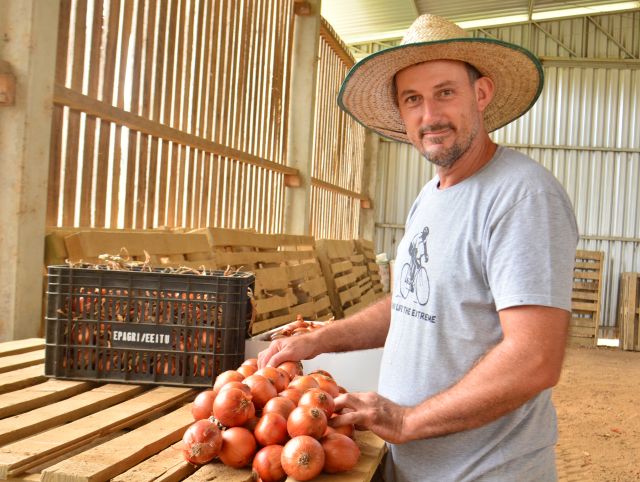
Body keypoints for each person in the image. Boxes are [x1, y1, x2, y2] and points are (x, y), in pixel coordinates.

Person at [259, 13, 578, 482]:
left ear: (481, 93)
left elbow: (534, 358)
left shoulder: (523, 196)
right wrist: (320, 338)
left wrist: (406, 421)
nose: (429, 116)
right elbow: (411, 305)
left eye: (445, 92)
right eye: (413, 100)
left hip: (484, 472)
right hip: (413, 467)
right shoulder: (431, 196)